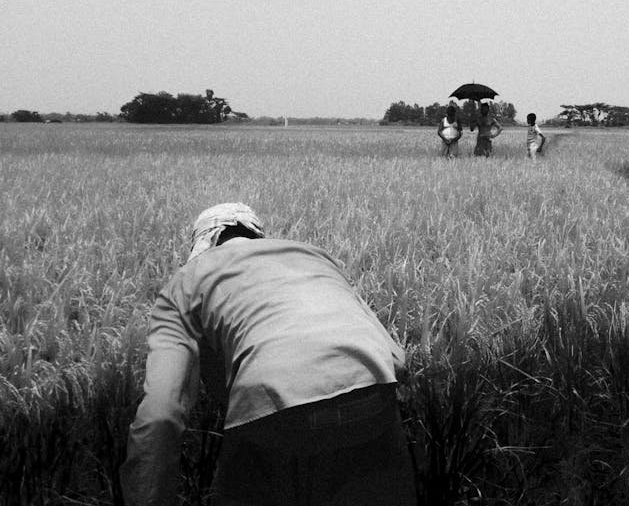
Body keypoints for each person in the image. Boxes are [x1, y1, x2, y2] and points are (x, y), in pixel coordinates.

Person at [121, 203, 415, 506]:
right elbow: (395, 358)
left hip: (269, 412)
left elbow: (160, 413)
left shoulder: (185, 281)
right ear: (257, 236)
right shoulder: (313, 255)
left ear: (202, 245)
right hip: (371, 398)